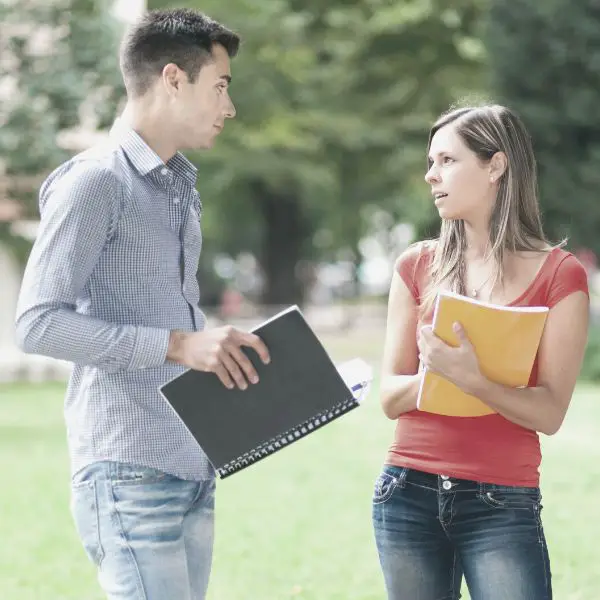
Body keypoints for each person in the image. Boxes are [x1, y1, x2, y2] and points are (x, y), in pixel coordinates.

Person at [15, 8, 270, 600]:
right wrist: (180, 345)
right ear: (174, 79)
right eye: (221, 87)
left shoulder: (178, 184)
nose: (229, 107)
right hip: (128, 466)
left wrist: (210, 344)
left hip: (189, 459)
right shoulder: (95, 181)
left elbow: (162, 319)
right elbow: (35, 324)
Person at [373, 104, 589, 600]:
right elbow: (388, 397)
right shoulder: (415, 266)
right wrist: (436, 373)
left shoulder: (561, 276)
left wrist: (473, 380)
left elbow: (551, 411)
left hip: (502, 502)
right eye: (431, 162)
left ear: (495, 166)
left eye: (447, 160)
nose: (431, 175)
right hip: (405, 493)